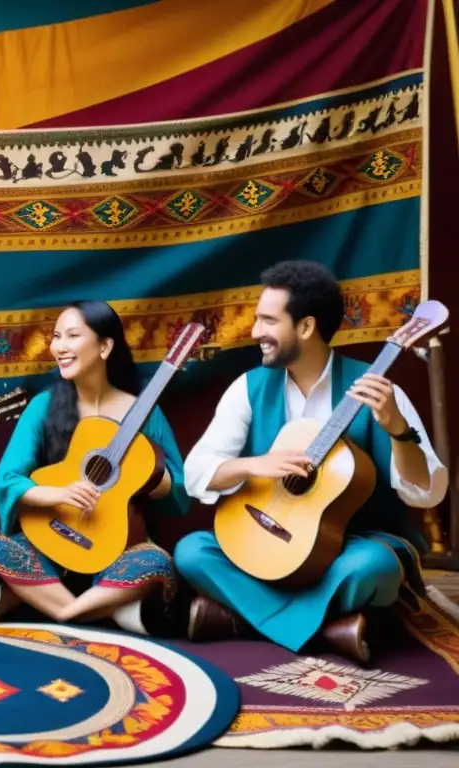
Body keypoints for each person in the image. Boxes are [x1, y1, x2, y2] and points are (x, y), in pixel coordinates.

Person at [176, 260, 447, 663]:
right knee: (191, 551)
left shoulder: (379, 392)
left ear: (305, 327)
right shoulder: (247, 389)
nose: (255, 333)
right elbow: (195, 474)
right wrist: (256, 465)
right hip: (263, 544)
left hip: (346, 550)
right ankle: (331, 628)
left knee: (376, 567)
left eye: (268, 321)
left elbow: (426, 494)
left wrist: (398, 431)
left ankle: (241, 618)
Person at [0, 301, 190, 634]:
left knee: (156, 563)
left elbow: (178, 489)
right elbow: (7, 479)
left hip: (116, 547)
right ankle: (98, 610)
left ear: (105, 346)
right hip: (48, 541)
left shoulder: (144, 412)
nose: (59, 346)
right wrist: (58, 493)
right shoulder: (43, 406)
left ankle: (53, 607)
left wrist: (146, 475)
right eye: (57, 336)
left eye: (72, 335)